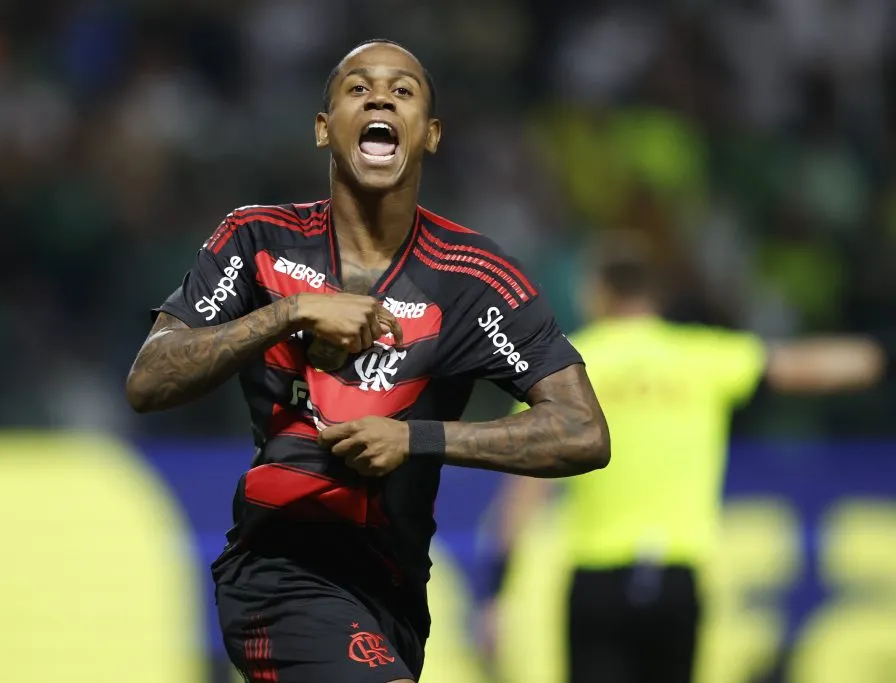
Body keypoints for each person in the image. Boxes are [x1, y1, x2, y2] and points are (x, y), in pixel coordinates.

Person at [125, 39, 611, 683]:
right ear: (324, 129)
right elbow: (148, 379)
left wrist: (415, 439)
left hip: (395, 598)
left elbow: (584, 432)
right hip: (277, 574)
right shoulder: (257, 238)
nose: (380, 96)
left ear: (430, 135)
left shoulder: (474, 279)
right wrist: (289, 312)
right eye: (358, 88)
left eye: (403, 90)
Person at [484, 233, 886, 683]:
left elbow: (524, 496)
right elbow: (803, 367)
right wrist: (881, 355)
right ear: (653, 293)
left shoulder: (562, 370)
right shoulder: (699, 358)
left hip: (597, 579)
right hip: (677, 577)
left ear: (596, 291)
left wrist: (499, 591)